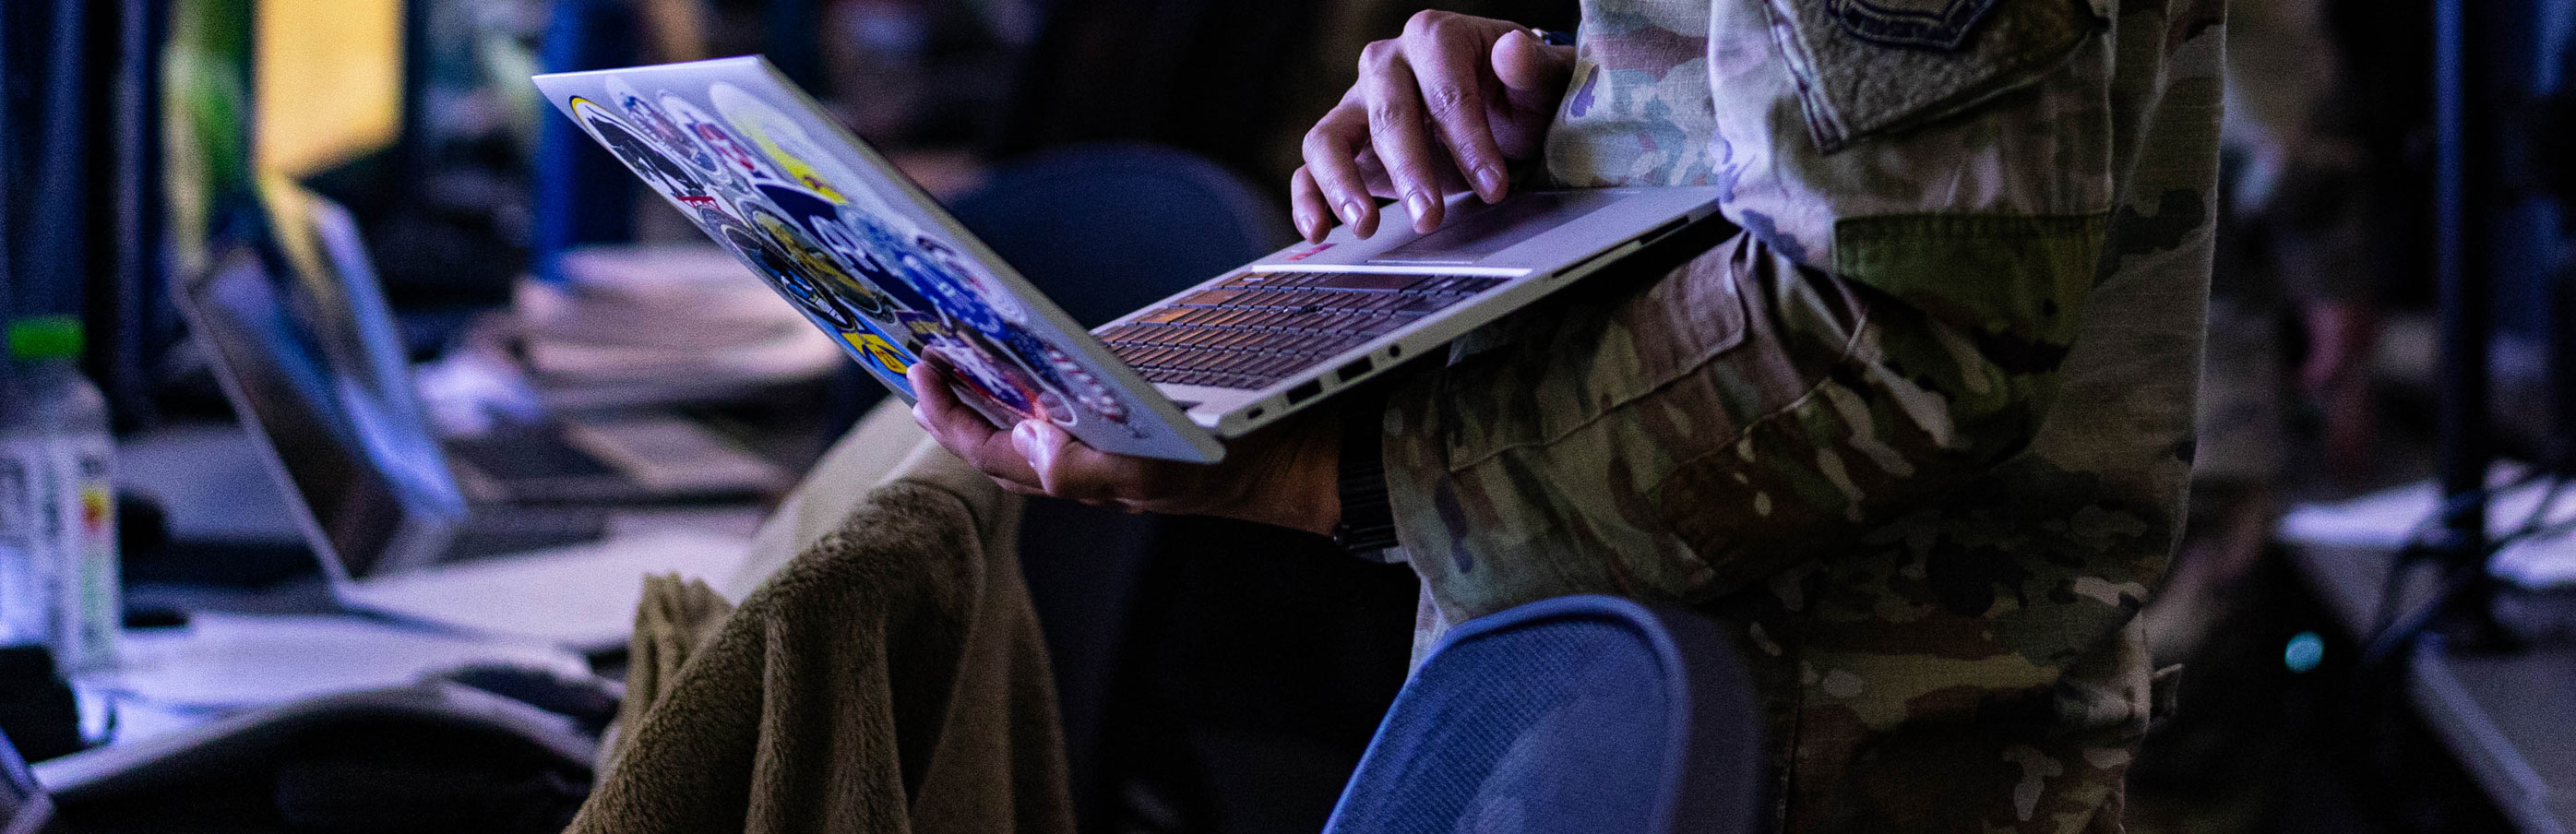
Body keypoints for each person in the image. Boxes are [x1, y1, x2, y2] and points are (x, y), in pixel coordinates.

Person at [909, 0, 2224, 831]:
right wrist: (1592, 101)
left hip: (1827, 753)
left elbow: (1894, 338)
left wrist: (1332, 474)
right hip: (1638, 700)